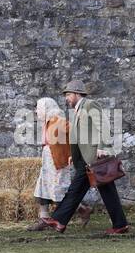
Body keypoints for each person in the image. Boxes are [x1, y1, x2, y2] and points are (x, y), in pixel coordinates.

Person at [35, 80, 130, 235]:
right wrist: (74, 155)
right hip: (84, 160)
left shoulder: (90, 105)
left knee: (106, 191)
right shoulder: (78, 110)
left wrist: (103, 147)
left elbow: (103, 126)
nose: (66, 98)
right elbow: (79, 136)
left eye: (68, 94)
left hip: (95, 158)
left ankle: (120, 225)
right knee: (75, 190)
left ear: (77, 93)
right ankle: (59, 220)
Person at [27, 97, 92, 227]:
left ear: (46, 109)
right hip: (48, 161)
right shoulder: (47, 123)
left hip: (57, 162)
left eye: (38, 108)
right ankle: (44, 218)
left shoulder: (58, 121)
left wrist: (72, 153)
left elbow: (75, 132)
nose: (36, 111)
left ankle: (82, 210)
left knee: (59, 190)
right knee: (43, 187)